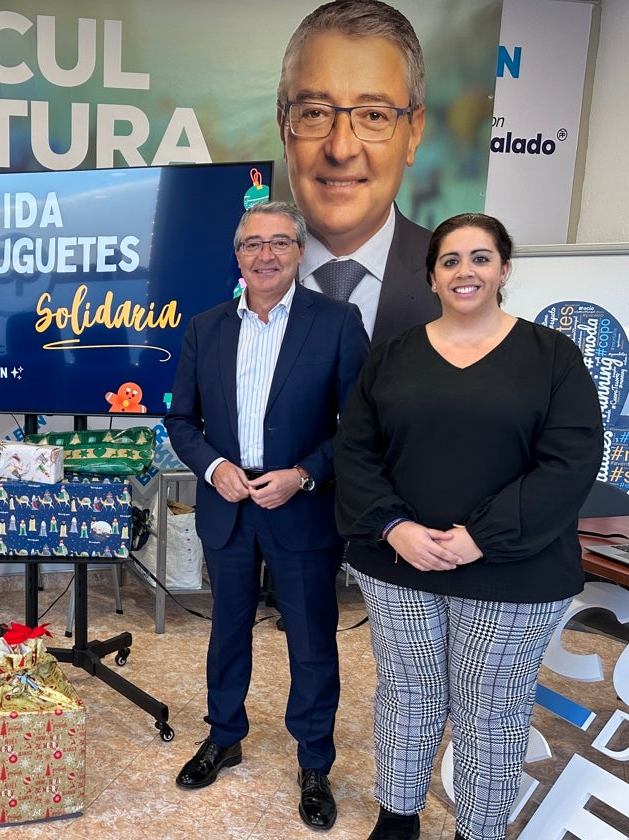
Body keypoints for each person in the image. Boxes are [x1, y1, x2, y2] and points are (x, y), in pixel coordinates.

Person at [334, 213, 603, 840]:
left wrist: (480, 536)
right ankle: (397, 819)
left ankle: (477, 831)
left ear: (504, 270)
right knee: (408, 696)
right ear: (431, 276)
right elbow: (356, 451)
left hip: (514, 570)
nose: (465, 272)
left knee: (491, 710)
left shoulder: (552, 357)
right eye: (450, 260)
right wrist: (393, 526)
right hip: (401, 563)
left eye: (480, 258)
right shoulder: (393, 357)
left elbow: (569, 463)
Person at [165, 201, 369, 830]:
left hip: (300, 506)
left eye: (280, 243)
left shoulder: (337, 322)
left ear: (300, 252)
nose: (267, 254)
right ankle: (224, 736)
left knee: (310, 642)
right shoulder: (205, 327)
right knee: (226, 631)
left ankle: (314, 762)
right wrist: (212, 467)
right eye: (254, 244)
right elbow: (181, 420)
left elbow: (361, 426)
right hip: (227, 507)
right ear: (238, 255)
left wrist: (305, 474)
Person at [278, 0, 440, 343]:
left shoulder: (464, 287)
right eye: (314, 113)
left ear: (413, 133)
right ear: (283, 126)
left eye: (374, 116)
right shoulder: (212, 281)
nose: (341, 148)